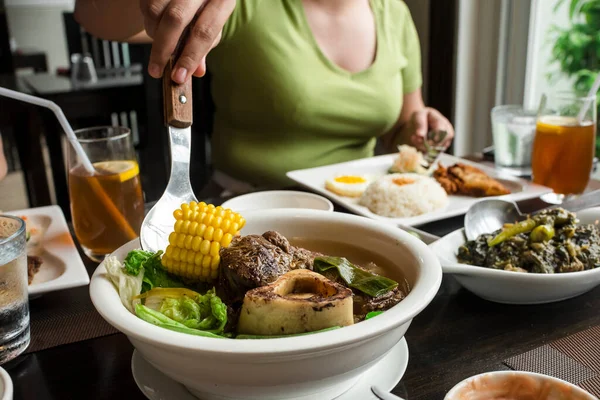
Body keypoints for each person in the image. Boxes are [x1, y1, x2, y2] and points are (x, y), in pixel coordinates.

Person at [74, 0, 454, 195]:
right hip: (245, 205)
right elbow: (94, 16)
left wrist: (421, 129)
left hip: (358, 211)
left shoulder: (395, 12)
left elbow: (403, 129)